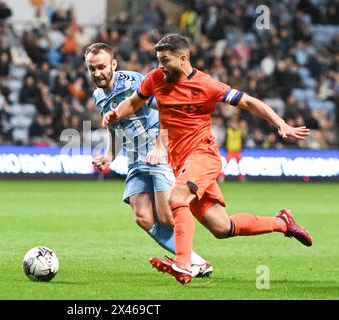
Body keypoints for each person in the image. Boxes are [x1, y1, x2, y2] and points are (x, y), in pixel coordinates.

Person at [103, 34, 313, 284]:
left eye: (165, 60)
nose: (160, 66)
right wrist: (116, 114)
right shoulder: (156, 79)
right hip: (181, 163)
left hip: (203, 156)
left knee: (177, 197)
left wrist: (281, 124)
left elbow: (248, 101)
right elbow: (134, 102)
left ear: (183, 59)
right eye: (158, 60)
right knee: (222, 228)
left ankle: (183, 264)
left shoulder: (206, 85)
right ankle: (282, 223)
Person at [85, 42, 212, 277]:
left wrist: (158, 146)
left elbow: (166, 106)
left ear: (113, 64)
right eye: (92, 68)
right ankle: (197, 262)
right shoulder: (97, 95)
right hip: (135, 159)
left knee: (166, 216)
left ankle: (189, 254)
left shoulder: (132, 82)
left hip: (159, 152)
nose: (97, 73)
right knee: (143, 217)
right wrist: (109, 156)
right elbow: (115, 127)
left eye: (101, 66)